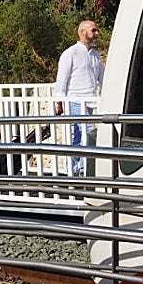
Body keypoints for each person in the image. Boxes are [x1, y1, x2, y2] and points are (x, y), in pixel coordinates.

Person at [54, 20, 104, 177]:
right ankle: (84, 169)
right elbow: (62, 78)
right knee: (88, 131)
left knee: (78, 134)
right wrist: (59, 101)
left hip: (90, 100)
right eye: (93, 30)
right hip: (75, 100)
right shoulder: (71, 53)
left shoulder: (96, 55)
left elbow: (102, 78)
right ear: (83, 32)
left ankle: (73, 167)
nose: (96, 33)